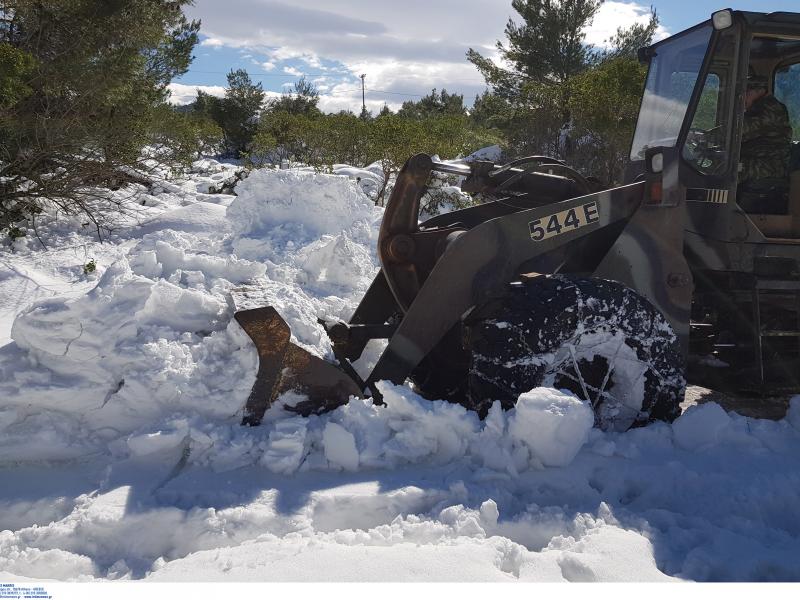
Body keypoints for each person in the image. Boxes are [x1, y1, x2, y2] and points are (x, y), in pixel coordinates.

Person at [737, 72, 793, 214]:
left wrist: (706, 136)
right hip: (760, 160)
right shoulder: (759, 107)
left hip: (771, 166)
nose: (743, 98)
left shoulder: (771, 110)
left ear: (758, 91)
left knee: (727, 174)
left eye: (746, 93)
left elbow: (741, 130)